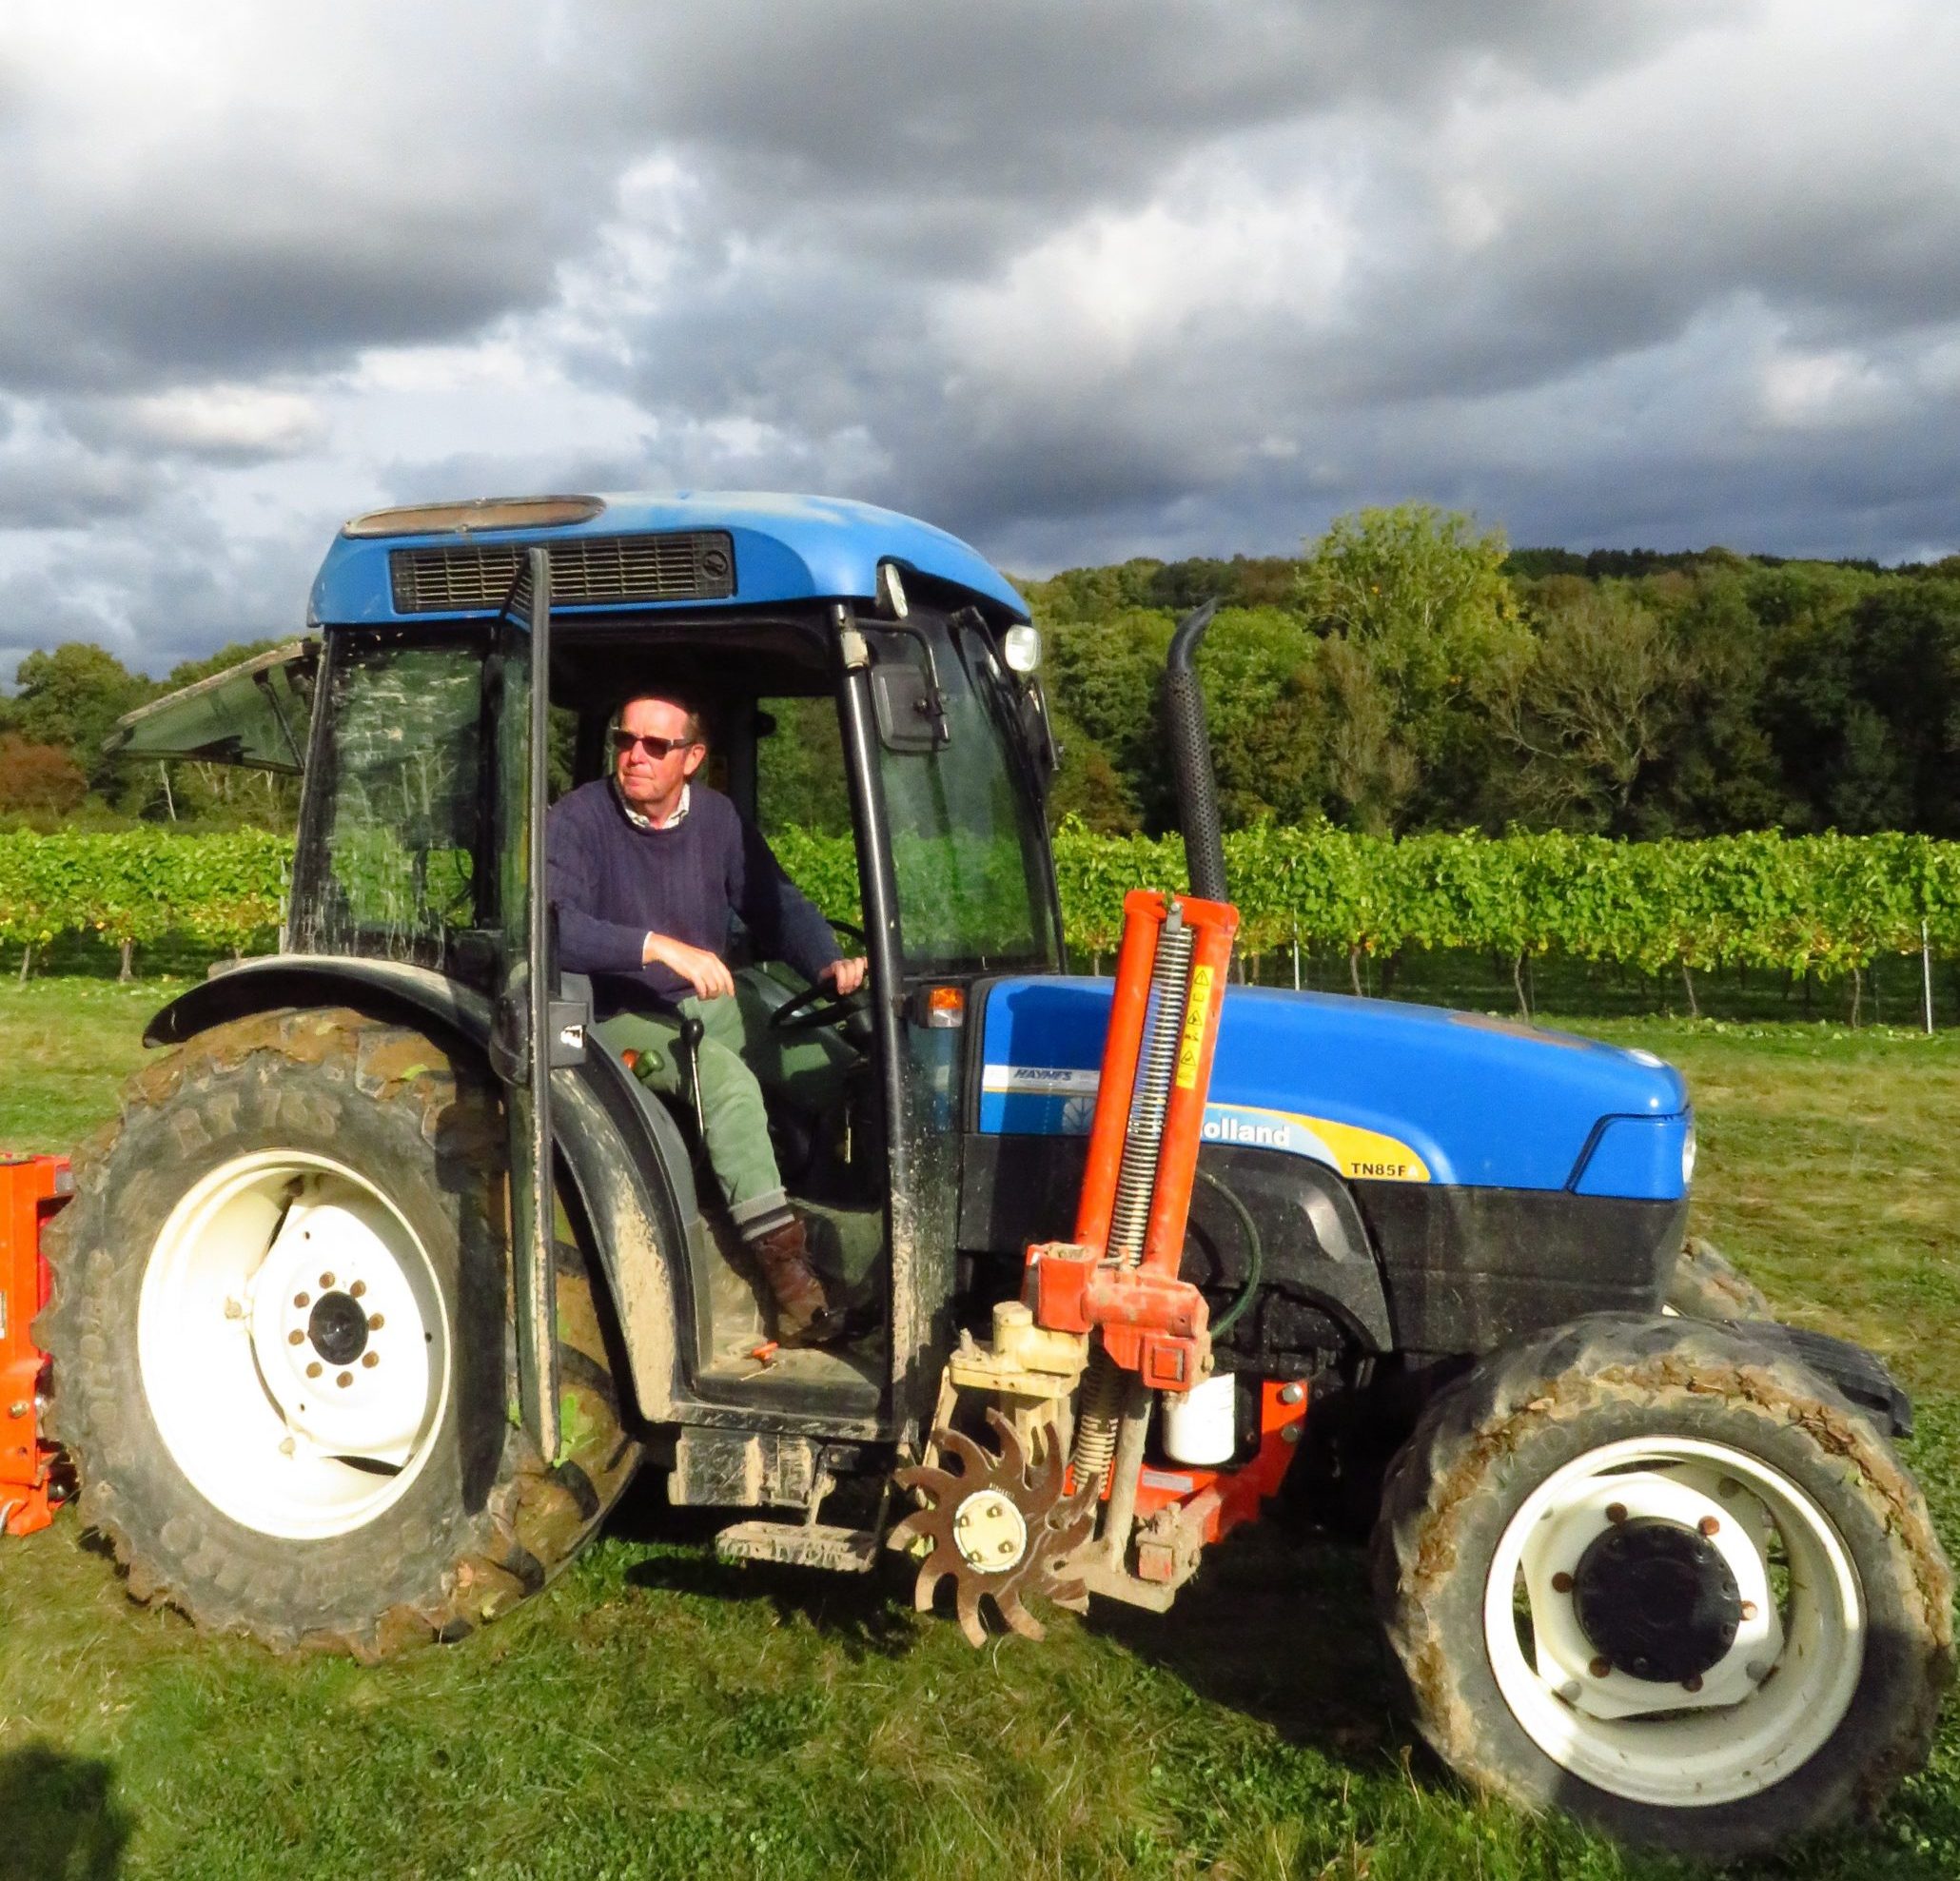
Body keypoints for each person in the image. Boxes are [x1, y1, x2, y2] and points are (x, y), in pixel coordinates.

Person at [546, 691, 868, 1346]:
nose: (634, 755)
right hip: (618, 1010)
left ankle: (852, 1232)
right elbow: (552, 926)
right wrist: (655, 945)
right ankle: (794, 1290)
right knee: (727, 1086)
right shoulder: (577, 821)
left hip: (706, 996)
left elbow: (773, 901)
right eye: (625, 739)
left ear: (692, 757)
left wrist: (828, 963)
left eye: (654, 745)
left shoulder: (718, 821)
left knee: (837, 1067)